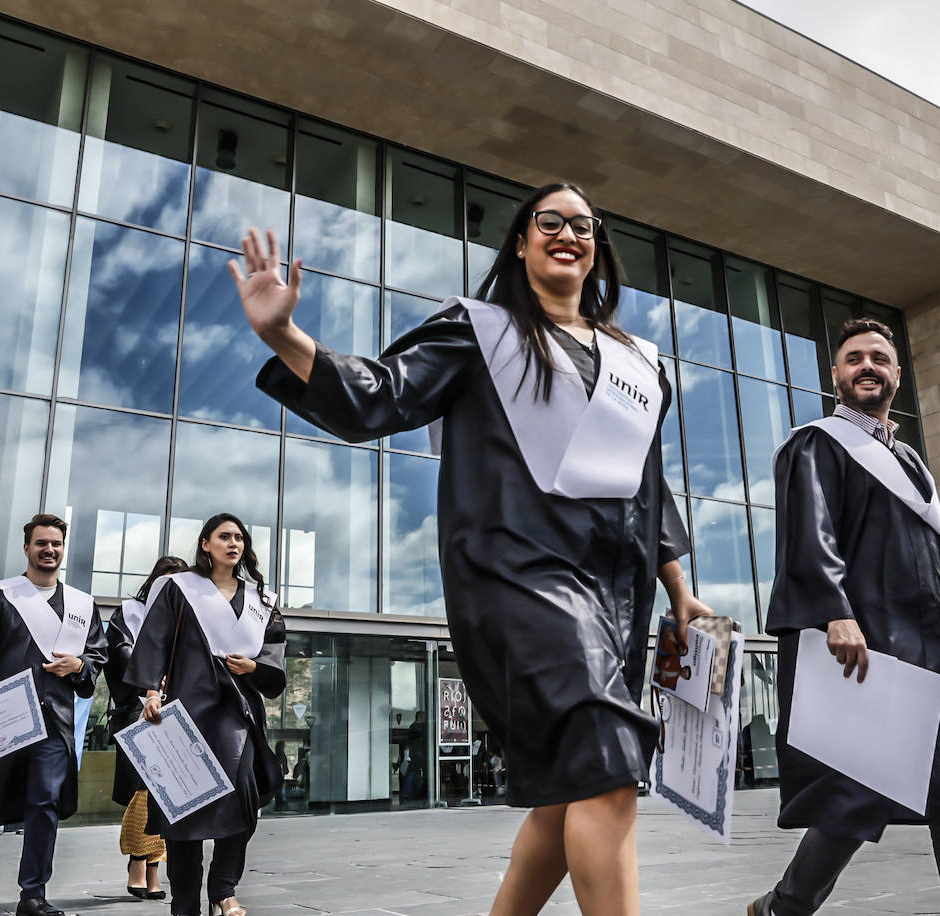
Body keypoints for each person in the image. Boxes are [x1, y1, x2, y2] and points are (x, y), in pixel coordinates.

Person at [233, 181, 711, 916]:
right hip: (518, 576)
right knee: (605, 761)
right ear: (520, 242)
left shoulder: (636, 361)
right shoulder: (478, 329)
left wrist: (679, 589)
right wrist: (285, 337)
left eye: (583, 225)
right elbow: (382, 393)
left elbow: (646, 483)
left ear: (597, 248)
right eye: (548, 221)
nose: (567, 233)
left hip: (616, 597)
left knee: (570, 786)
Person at [750, 318, 940, 916]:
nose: (867, 365)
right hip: (869, 646)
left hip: (933, 648)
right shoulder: (817, 443)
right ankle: (782, 909)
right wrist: (833, 613)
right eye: (853, 358)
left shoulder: (913, 463)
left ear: (897, 374)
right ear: (836, 375)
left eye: (879, 357)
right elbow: (807, 536)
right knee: (857, 795)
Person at [0, 513, 109, 916]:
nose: (49, 550)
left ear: (62, 549)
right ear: (27, 548)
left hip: (55, 722)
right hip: (6, 718)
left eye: (56, 544)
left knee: (44, 805)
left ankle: (32, 894)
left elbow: (97, 655)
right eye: (41, 543)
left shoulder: (82, 605)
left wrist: (81, 666)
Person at [125, 514, 287, 916]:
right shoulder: (180, 589)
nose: (233, 543)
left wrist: (255, 668)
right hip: (186, 711)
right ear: (205, 544)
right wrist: (150, 691)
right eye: (224, 536)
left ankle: (222, 888)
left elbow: (273, 651)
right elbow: (155, 640)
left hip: (238, 714)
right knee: (185, 813)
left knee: (245, 803)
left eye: (239, 538)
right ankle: (184, 902)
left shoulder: (260, 601)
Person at [105, 555, 189, 899]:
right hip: (137, 711)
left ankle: (154, 867)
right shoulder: (129, 613)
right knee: (142, 790)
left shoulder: (188, 619)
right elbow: (120, 654)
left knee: (165, 793)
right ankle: (139, 862)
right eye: (165, 579)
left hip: (175, 712)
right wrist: (151, 679)